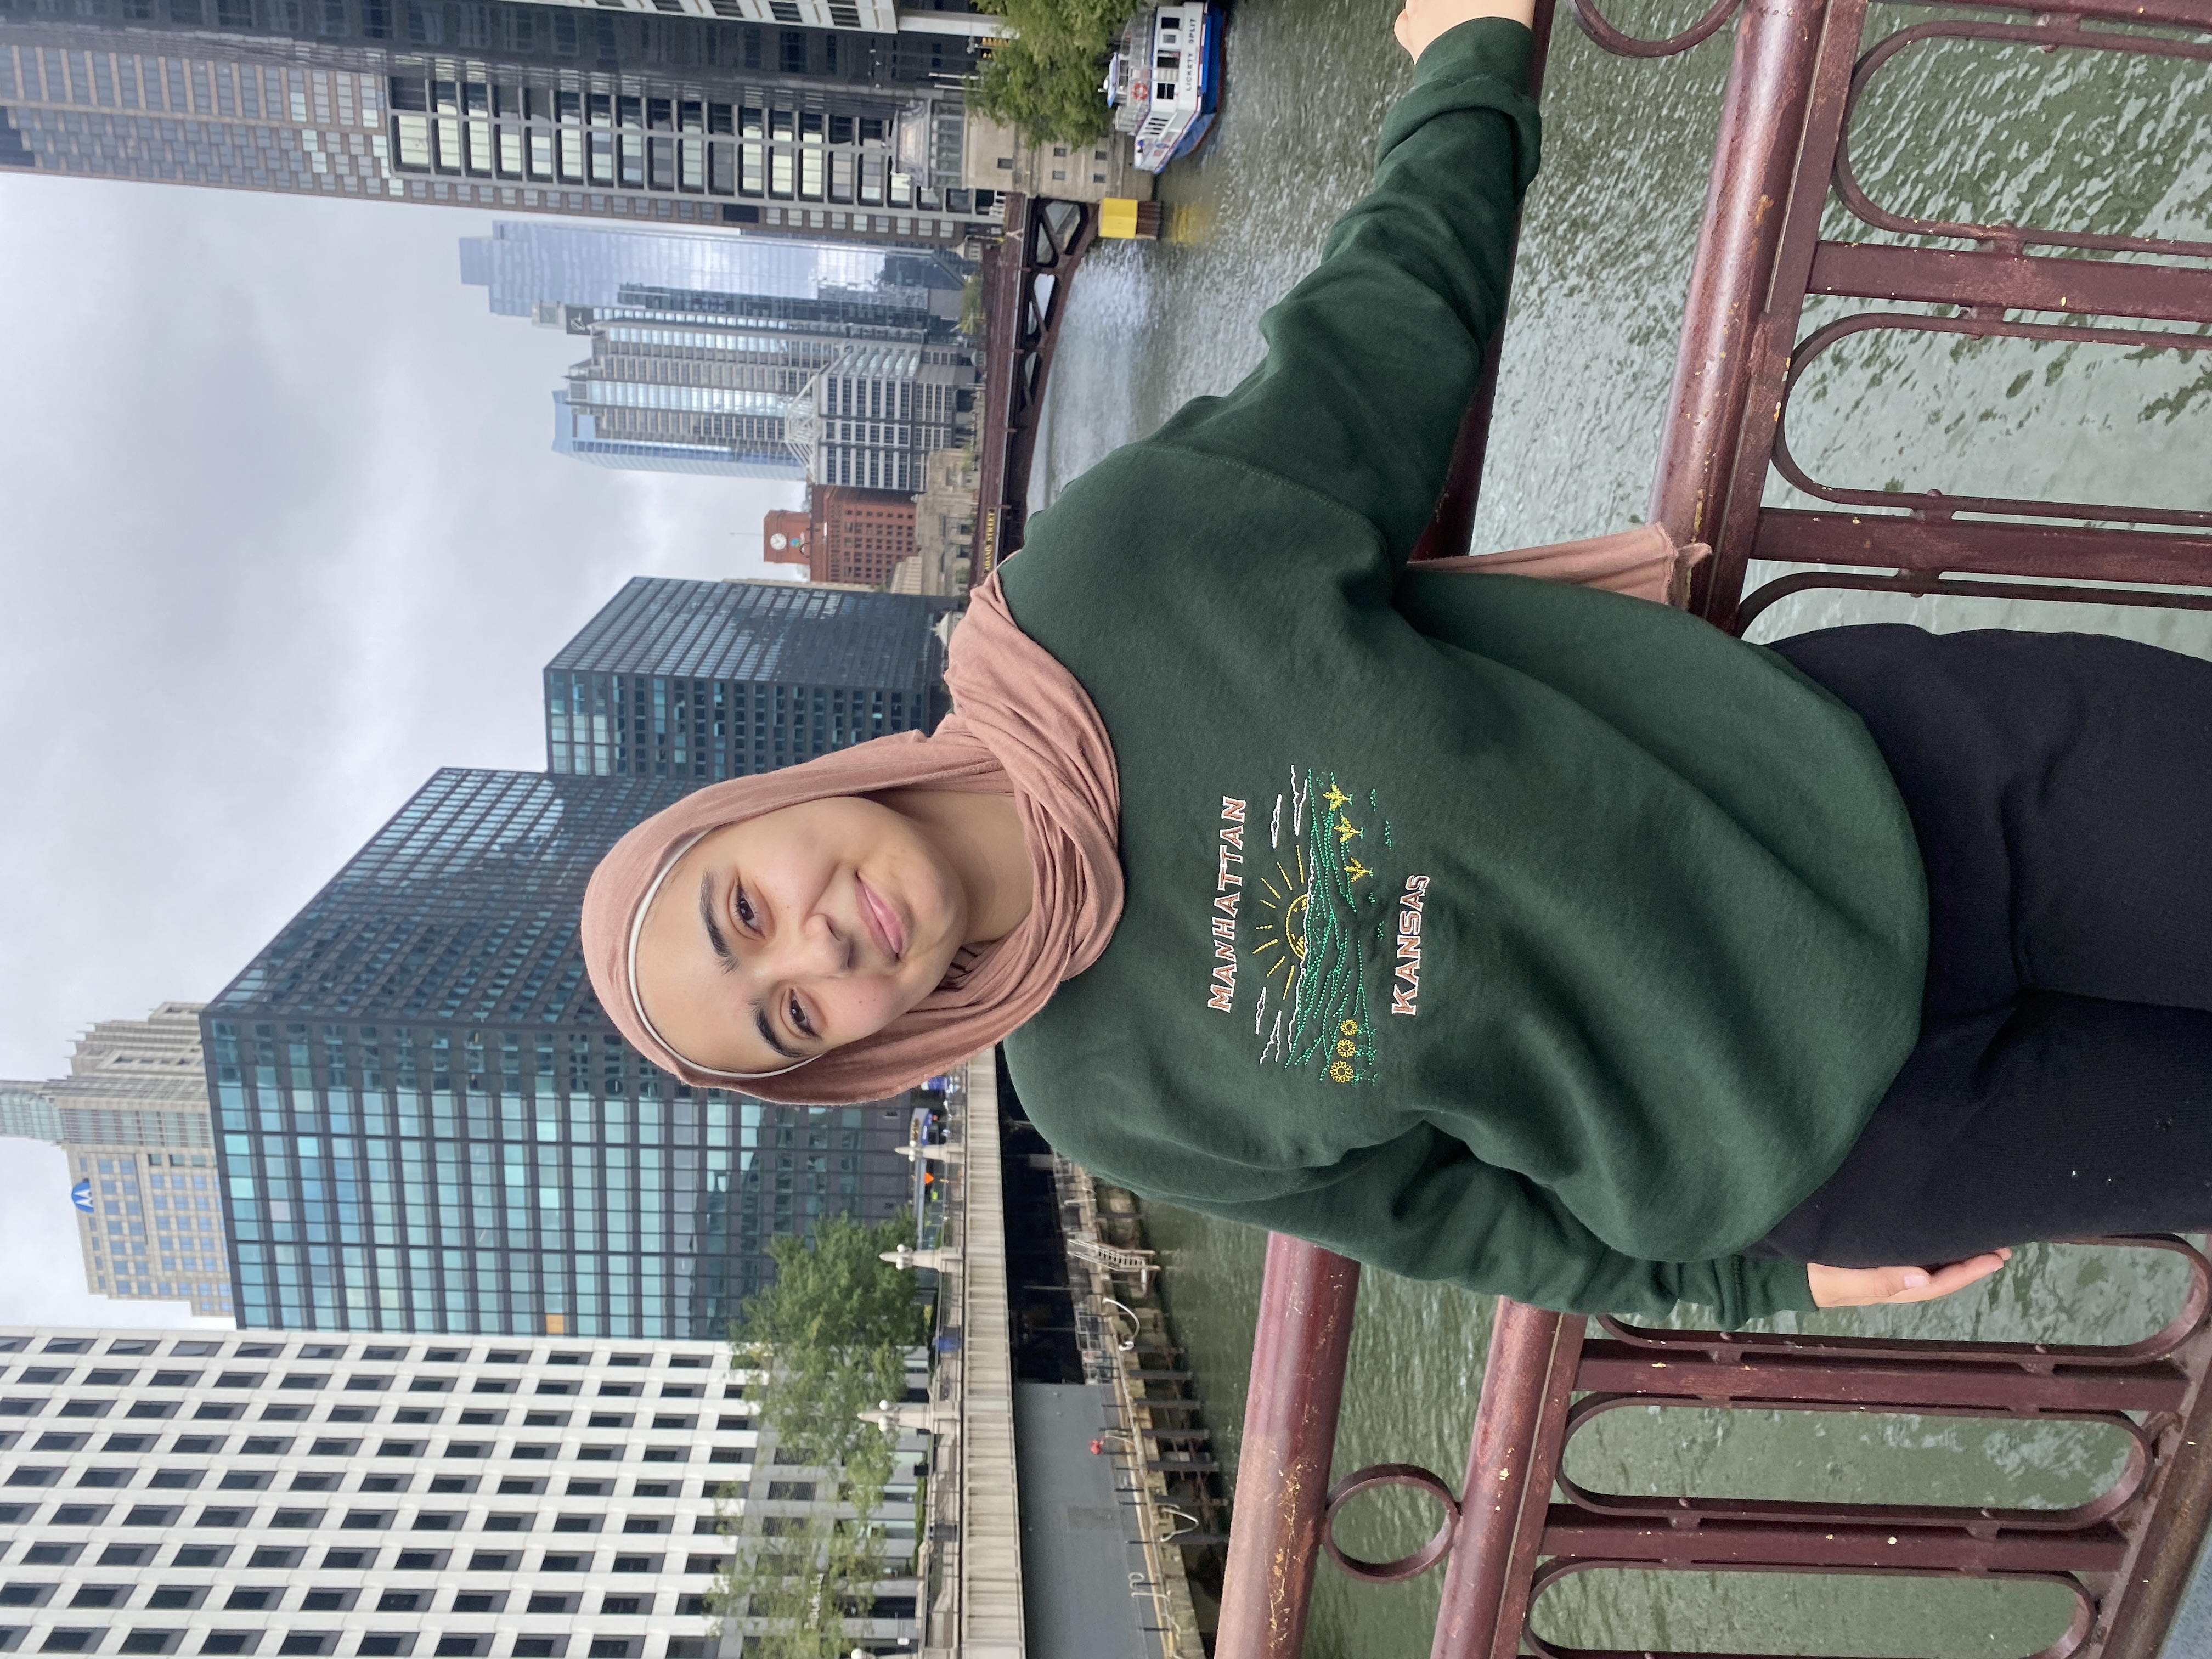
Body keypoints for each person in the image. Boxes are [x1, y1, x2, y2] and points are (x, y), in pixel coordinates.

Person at [580, 0, 2212, 1325]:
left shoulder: (1105, 592)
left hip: (1907, 792)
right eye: (794, 1018)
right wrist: (1758, 1287)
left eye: (745, 910)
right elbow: (1456, 1223)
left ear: (763, 807)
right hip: (1856, 1148)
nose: (817, 950)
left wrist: (1472, 61)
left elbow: (1384, 344)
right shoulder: (1100, 1097)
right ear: (850, 1056)